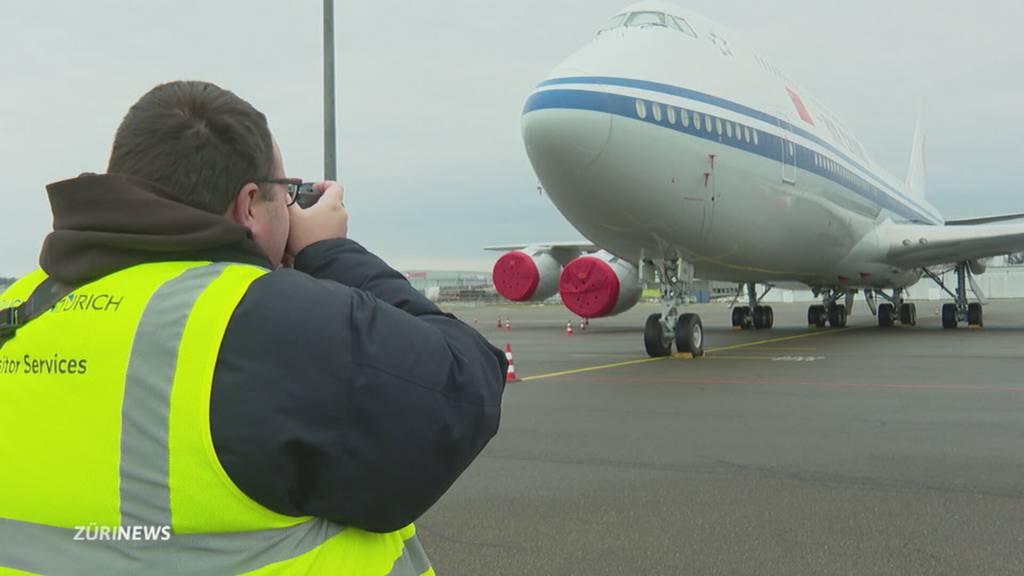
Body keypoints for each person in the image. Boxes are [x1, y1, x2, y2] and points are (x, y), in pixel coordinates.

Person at [0, 80, 507, 575]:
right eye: (283, 194)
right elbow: (468, 380)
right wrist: (328, 252)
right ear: (247, 206)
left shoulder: (19, 306)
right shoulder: (269, 319)